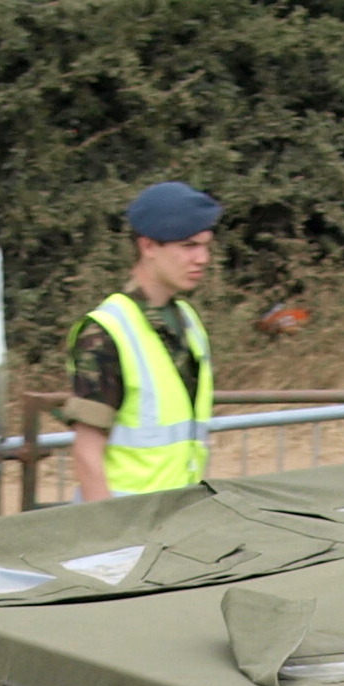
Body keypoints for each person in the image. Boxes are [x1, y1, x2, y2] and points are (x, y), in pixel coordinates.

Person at [62, 181, 219, 500]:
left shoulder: (187, 320)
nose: (202, 258)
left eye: (206, 245)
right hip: (127, 528)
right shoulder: (106, 331)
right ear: (148, 247)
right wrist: (113, 541)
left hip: (180, 517)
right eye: (189, 246)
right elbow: (87, 454)